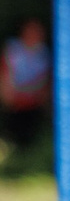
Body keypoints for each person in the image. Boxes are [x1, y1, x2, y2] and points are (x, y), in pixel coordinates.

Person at [0, 20, 50, 156]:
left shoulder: (43, 54)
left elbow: (43, 81)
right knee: (11, 135)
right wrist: (8, 93)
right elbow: (6, 73)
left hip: (32, 102)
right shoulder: (13, 49)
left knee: (29, 136)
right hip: (13, 101)